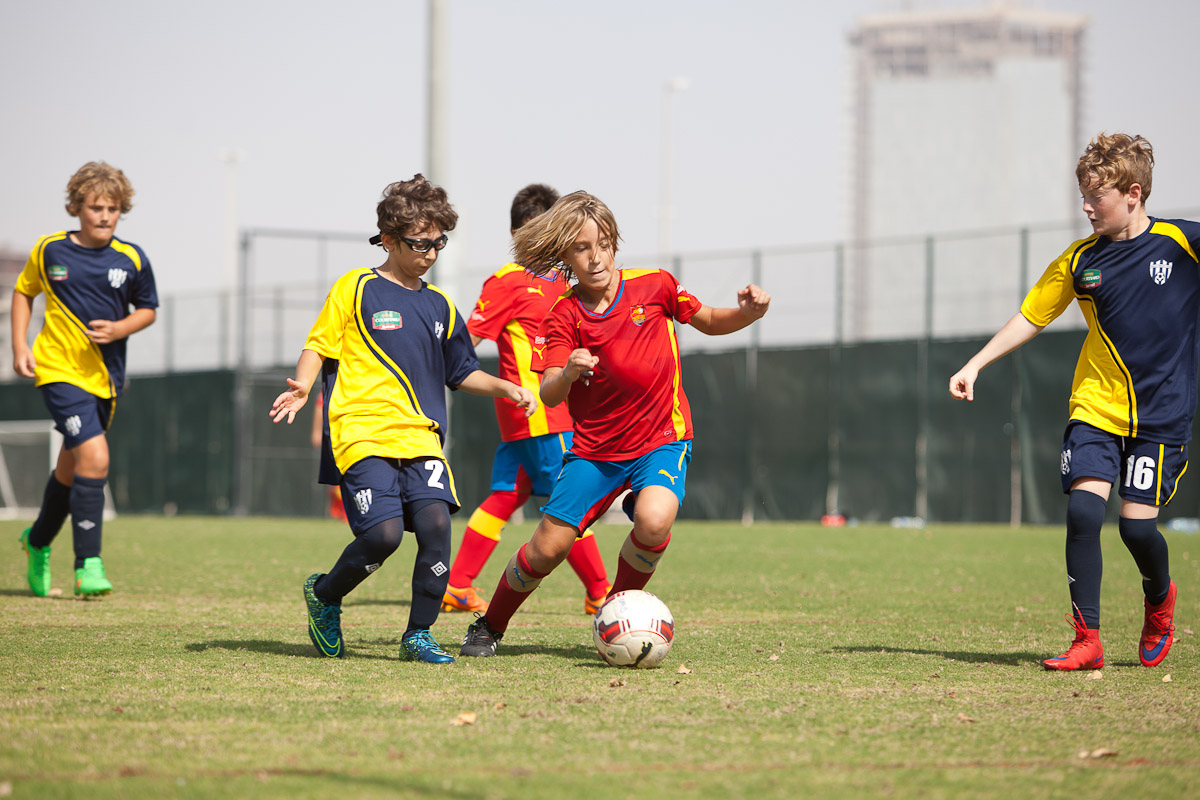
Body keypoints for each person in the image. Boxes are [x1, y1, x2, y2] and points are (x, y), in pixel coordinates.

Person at [459, 191, 770, 657]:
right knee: (546, 550)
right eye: (582, 248)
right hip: (595, 452)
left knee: (654, 520)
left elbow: (708, 319)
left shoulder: (655, 285)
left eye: (603, 244)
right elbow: (549, 392)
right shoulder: (563, 314)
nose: (596, 257)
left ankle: (614, 609)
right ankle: (490, 625)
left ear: (614, 244)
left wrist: (748, 313)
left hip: (662, 440)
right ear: (564, 256)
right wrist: (567, 372)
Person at [270, 175, 536, 664]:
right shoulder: (356, 288)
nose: (431, 253)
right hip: (361, 433)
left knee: (436, 526)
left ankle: (418, 635)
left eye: (438, 243)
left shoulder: (439, 305)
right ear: (388, 240)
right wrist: (304, 385)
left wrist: (506, 386)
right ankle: (325, 595)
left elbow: (462, 371)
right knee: (383, 536)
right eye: (419, 243)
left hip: (420, 437)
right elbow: (318, 345)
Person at [949, 132, 1190, 671]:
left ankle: (1159, 600)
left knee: (1136, 529)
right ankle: (1088, 639)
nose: (1086, 207)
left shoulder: (1182, 242)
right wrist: (975, 363)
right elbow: (1031, 315)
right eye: (1083, 195)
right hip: (1094, 407)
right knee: (1083, 511)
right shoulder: (1081, 261)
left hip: (1161, 415)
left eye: (1096, 197)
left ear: (1133, 193)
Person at [442, 184, 611, 616]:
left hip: (544, 417)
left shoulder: (565, 280)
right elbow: (466, 341)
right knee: (570, 502)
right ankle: (600, 592)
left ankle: (457, 585)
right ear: (520, 232)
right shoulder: (508, 281)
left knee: (504, 496)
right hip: (540, 417)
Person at [13, 162, 159, 598]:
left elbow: (148, 309)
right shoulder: (50, 250)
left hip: (105, 380)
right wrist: (20, 346)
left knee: (72, 468)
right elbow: (24, 291)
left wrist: (120, 328)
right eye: (96, 207)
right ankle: (88, 566)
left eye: (113, 209)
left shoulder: (131, 258)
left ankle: (37, 541)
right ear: (77, 207)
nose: (105, 216)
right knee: (95, 458)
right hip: (58, 370)